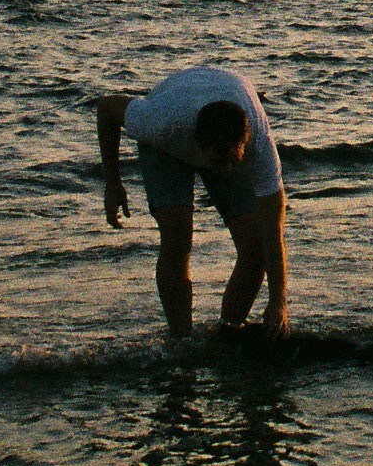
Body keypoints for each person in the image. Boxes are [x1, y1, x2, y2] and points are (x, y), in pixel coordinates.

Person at [96, 65, 288, 339]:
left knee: (255, 245)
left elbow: (274, 230)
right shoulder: (162, 124)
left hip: (226, 107)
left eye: (231, 161)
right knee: (177, 238)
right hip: (170, 129)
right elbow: (107, 108)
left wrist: (278, 303)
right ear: (197, 145)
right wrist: (113, 184)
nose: (222, 171)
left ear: (245, 145)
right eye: (216, 163)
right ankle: (181, 339)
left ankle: (229, 331)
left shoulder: (260, 149)